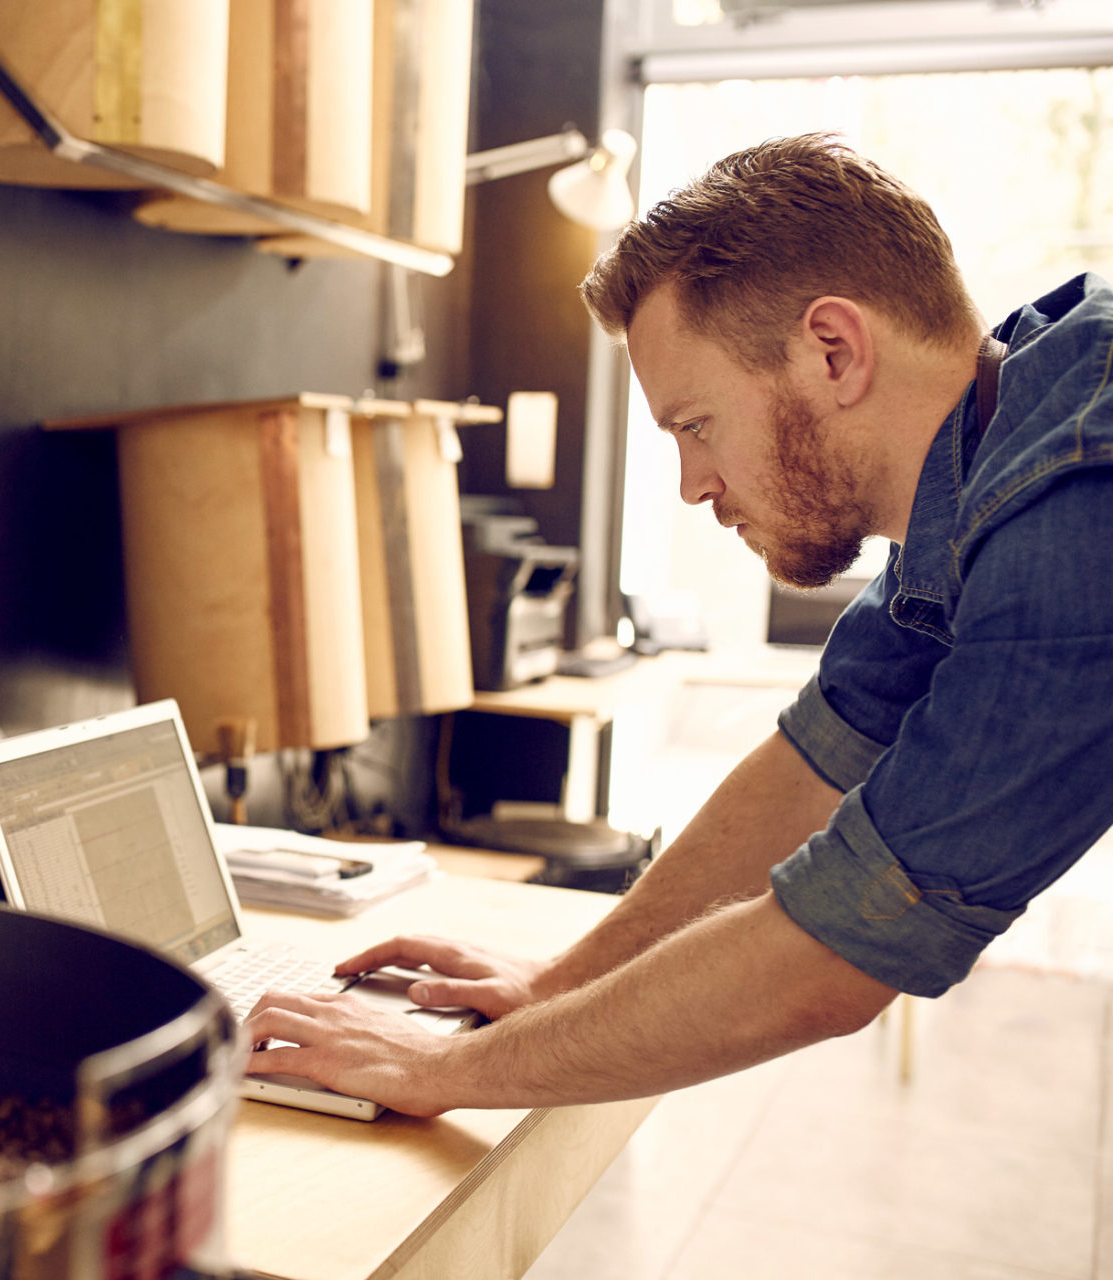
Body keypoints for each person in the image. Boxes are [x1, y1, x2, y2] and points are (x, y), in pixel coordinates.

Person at [244, 133, 1113, 1117]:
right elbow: (813, 760)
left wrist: (434, 1070)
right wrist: (555, 981)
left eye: (695, 424)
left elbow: (835, 954)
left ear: (835, 349)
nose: (695, 484)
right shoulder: (1007, 418)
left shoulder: (1075, 506)